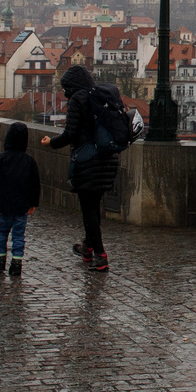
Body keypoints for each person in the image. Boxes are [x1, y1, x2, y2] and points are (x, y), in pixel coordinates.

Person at [42, 64, 117, 272]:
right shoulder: (100, 96)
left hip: (88, 161)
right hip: (108, 158)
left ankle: (100, 256)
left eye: (66, 88)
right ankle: (88, 247)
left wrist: (51, 143)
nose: (65, 92)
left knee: (88, 210)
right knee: (94, 207)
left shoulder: (78, 100)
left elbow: (70, 134)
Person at [0, 122, 42, 278]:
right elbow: (35, 185)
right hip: (21, 206)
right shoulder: (30, 161)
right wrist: (33, 203)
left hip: (3, 204)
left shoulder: (0, 159)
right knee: (18, 236)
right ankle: (16, 263)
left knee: (1, 232)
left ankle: (0, 260)